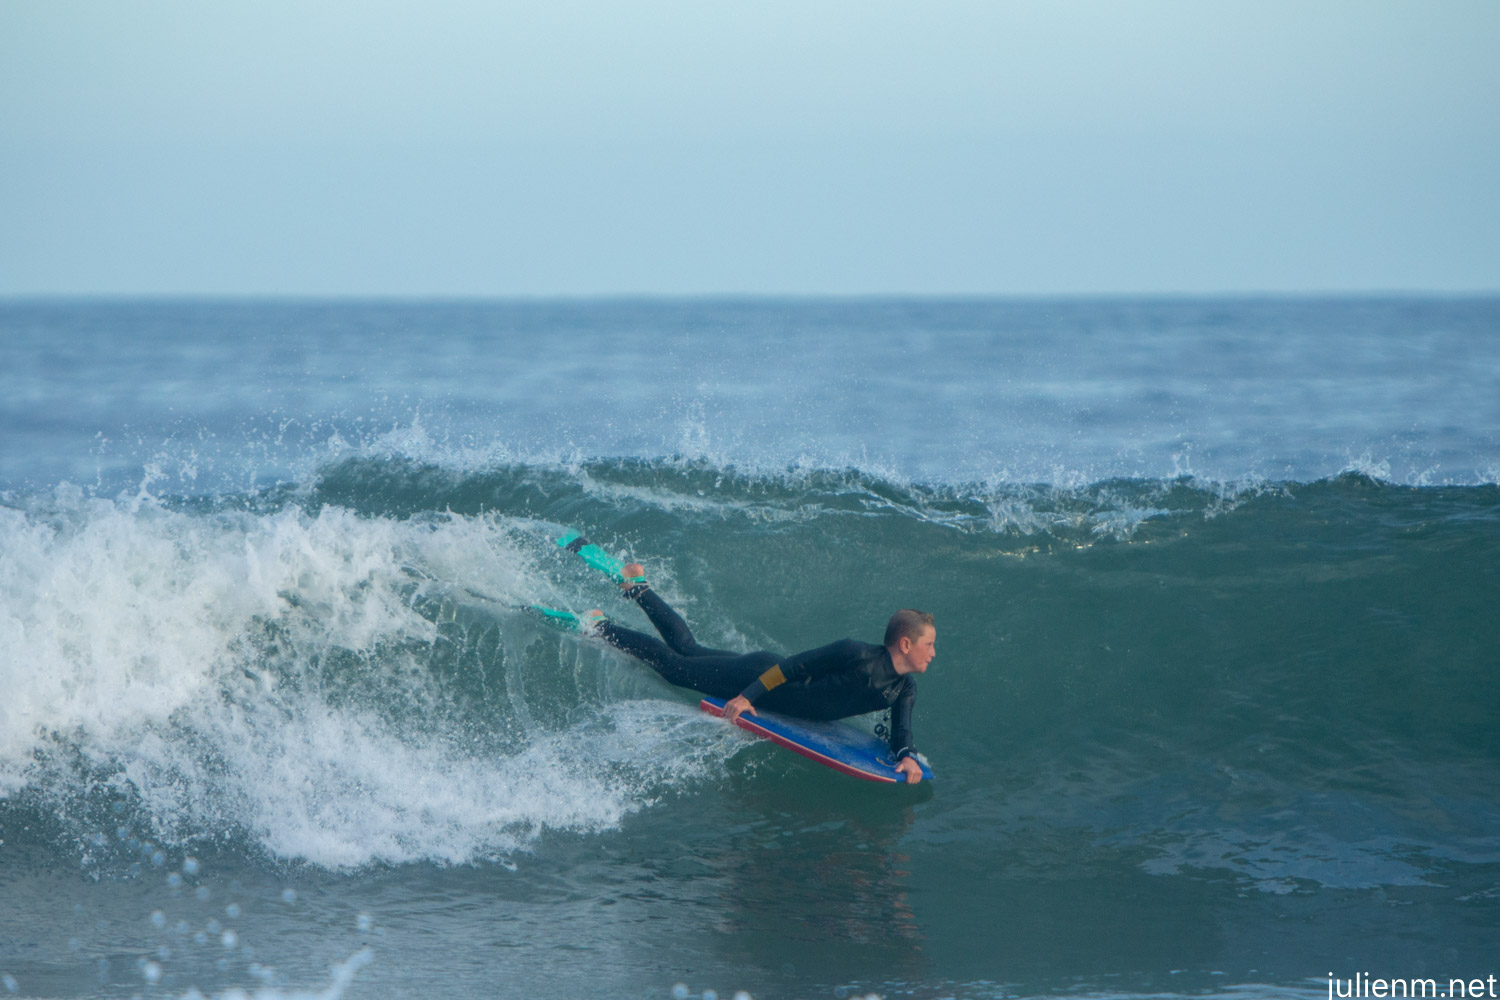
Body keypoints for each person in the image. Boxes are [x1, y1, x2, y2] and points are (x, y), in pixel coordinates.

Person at [585, 563, 935, 783]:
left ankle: (638, 587)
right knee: (675, 669)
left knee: (689, 649)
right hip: (759, 676)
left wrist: (906, 756)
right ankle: (601, 627)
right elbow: (791, 667)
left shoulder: (904, 688)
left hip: (767, 688)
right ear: (905, 644)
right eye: (929, 644)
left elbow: (901, 730)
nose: (933, 653)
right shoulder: (855, 653)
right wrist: (745, 696)